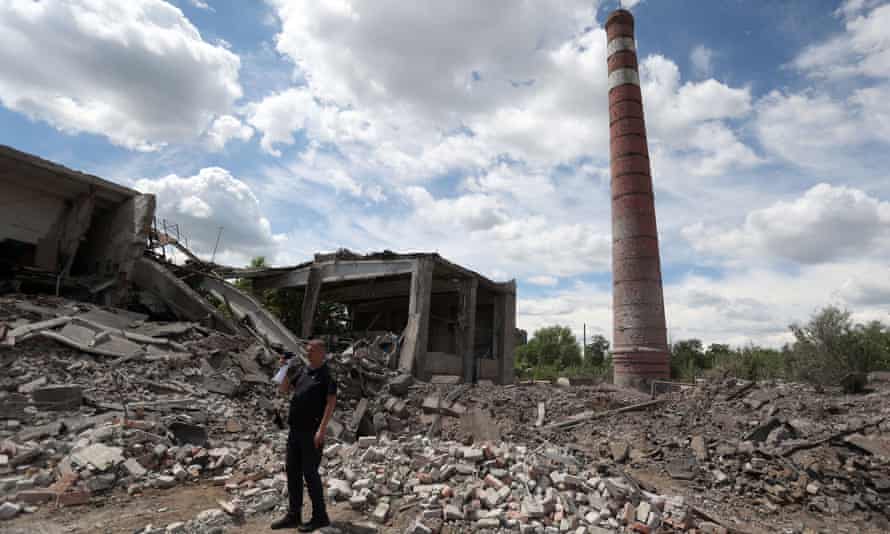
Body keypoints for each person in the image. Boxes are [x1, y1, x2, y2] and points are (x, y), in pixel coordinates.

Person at [271, 340, 337, 531]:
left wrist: (322, 430)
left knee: (310, 473)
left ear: (321, 352)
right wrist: (284, 369)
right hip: (295, 431)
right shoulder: (302, 372)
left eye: (311, 350)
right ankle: (294, 515)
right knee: (292, 471)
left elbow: (330, 402)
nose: (308, 353)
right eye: (307, 350)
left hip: (312, 433)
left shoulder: (327, 375)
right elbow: (283, 390)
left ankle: (320, 517)